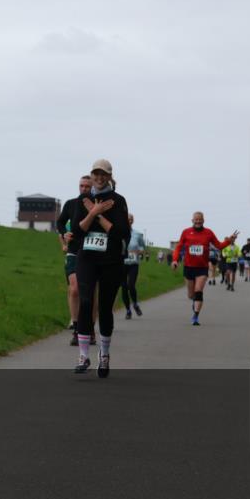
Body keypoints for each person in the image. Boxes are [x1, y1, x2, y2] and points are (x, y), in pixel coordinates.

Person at [71, 159, 130, 378]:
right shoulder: (82, 199)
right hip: (86, 258)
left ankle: (104, 355)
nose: (99, 177)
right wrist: (92, 211)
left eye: (103, 174)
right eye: (95, 174)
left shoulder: (118, 200)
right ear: (92, 175)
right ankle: (83, 355)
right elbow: (78, 231)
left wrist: (99, 214)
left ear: (109, 176)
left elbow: (121, 233)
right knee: (85, 302)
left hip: (111, 260)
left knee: (105, 307)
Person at [171, 213, 238, 325]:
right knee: (191, 295)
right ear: (192, 220)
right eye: (196, 219)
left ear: (203, 220)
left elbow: (219, 246)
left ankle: (195, 316)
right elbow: (178, 247)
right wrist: (175, 260)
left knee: (198, 291)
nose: (198, 221)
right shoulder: (186, 232)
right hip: (188, 267)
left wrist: (229, 240)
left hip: (202, 268)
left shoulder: (208, 232)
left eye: (200, 219)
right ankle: (194, 301)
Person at [56, 175, 96, 346]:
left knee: (92, 293)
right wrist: (64, 234)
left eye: (87, 186)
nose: (84, 189)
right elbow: (60, 222)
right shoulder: (71, 204)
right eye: (81, 186)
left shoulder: (97, 204)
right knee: (74, 289)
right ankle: (76, 327)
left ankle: (91, 329)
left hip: (92, 251)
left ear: (92, 187)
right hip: (73, 251)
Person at [121, 214, 146, 319]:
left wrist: (138, 251)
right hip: (121, 264)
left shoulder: (138, 234)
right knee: (123, 287)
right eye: (127, 219)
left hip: (133, 264)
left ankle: (135, 304)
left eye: (131, 219)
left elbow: (143, 248)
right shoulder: (119, 233)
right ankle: (128, 310)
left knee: (131, 285)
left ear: (133, 221)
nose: (129, 221)